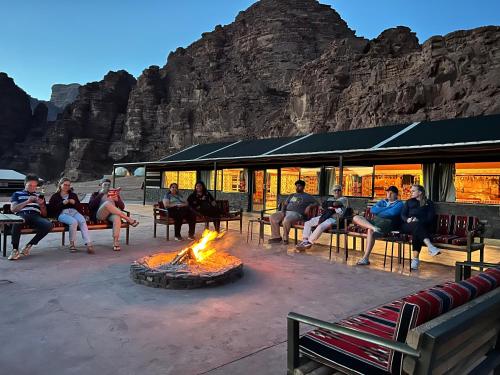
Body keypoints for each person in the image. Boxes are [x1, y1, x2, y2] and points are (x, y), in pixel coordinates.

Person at [355, 186, 404, 265]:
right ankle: (373, 227)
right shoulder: (383, 201)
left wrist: (380, 211)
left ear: (396, 194)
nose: (389, 194)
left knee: (370, 231)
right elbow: (372, 210)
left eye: (391, 193)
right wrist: (386, 209)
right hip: (376, 222)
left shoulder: (400, 204)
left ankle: (365, 258)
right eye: (388, 192)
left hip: (388, 223)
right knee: (356, 217)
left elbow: (391, 213)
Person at [8, 174, 53, 260]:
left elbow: (44, 214)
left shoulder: (39, 196)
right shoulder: (17, 194)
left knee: (49, 225)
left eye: (35, 186)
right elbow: (13, 209)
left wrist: (42, 205)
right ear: (25, 184)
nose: (32, 188)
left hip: (36, 216)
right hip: (22, 214)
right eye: (30, 185)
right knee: (17, 222)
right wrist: (27, 201)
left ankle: (29, 245)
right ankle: (15, 250)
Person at [88, 178, 139, 251]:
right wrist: (101, 194)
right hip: (100, 215)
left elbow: (122, 207)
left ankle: (115, 242)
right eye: (105, 185)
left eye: (108, 185)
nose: (107, 186)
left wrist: (117, 200)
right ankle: (129, 219)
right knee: (107, 203)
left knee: (117, 217)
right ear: (100, 185)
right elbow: (91, 206)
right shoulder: (95, 194)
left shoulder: (113, 194)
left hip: (111, 215)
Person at [296, 184, 349, 250]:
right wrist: (328, 204)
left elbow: (335, 204)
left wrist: (327, 203)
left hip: (334, 219)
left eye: (339, 190)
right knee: (308, 223)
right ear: (332, 192)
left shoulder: (344, 199)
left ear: (341, 191)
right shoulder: (330, 198)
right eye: (335, 190)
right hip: (325, 216)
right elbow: (323, 205)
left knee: (320, 226)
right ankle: (305, 241)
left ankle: (309, 242)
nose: (337, 191)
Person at [49, 178, 94, 254]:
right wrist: (62, 203)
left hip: (74, 212)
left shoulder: (73, 195)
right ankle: (72, 244)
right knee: (73, 222)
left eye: (68, 185)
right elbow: (51, 209)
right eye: (65, 185)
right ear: (60, 185)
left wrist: (74, 203)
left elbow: (79, 206)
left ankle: (88, 243)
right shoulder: (55, 196)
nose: (67, 187)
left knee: (82, 221)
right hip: (62, 214)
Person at [401, 184, 441, 271]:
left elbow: (430, 218)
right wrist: (408, 219)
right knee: (416, 227)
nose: (411, 192)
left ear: (420, 192)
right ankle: (430, 246)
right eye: (411, 191)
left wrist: (418, 221)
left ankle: (415, 260)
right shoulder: (409, 202)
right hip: (407, 225)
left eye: (413, 191)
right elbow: (402, 214)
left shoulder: (428, 203)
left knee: (417, 230)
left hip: (422, 226)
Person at [268, 179, 318, 245]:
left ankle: (285, 238)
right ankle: (276, 237)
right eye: (296, 186)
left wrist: (309, 206)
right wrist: (283, 211)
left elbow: (317, 203)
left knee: (286, 220)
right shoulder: (292, 195)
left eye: (299, 186)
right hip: (286, 212)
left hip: (297, 214)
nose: (297, 187)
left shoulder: (307, 196)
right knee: (272, 217)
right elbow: (285, 205)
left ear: (303, 187)